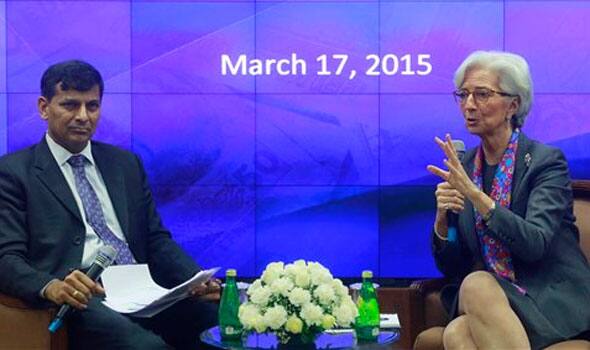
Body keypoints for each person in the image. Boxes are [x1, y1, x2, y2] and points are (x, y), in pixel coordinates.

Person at [0, 60, 220, 349]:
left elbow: (155, 240)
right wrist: (51, 286)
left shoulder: (125, 163)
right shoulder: (14, 172)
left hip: (144, 292)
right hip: (83, 298)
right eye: (70, 105)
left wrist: (193, 279)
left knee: (222, 324)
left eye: (92, 106)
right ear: (44, 107)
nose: (83, 116)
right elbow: (6, 258)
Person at [426, 51, 590, 349]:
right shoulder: (466, 165)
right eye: (463, 95)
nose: (469, 105)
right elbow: (452, 264)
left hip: (544, 296)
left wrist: (476, 196)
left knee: (471, 298)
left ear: (513, 105)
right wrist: (441, 221)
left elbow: (534, 244)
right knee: (457, 328)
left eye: (482, 94)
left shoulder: (545, 163)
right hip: (491, 301)